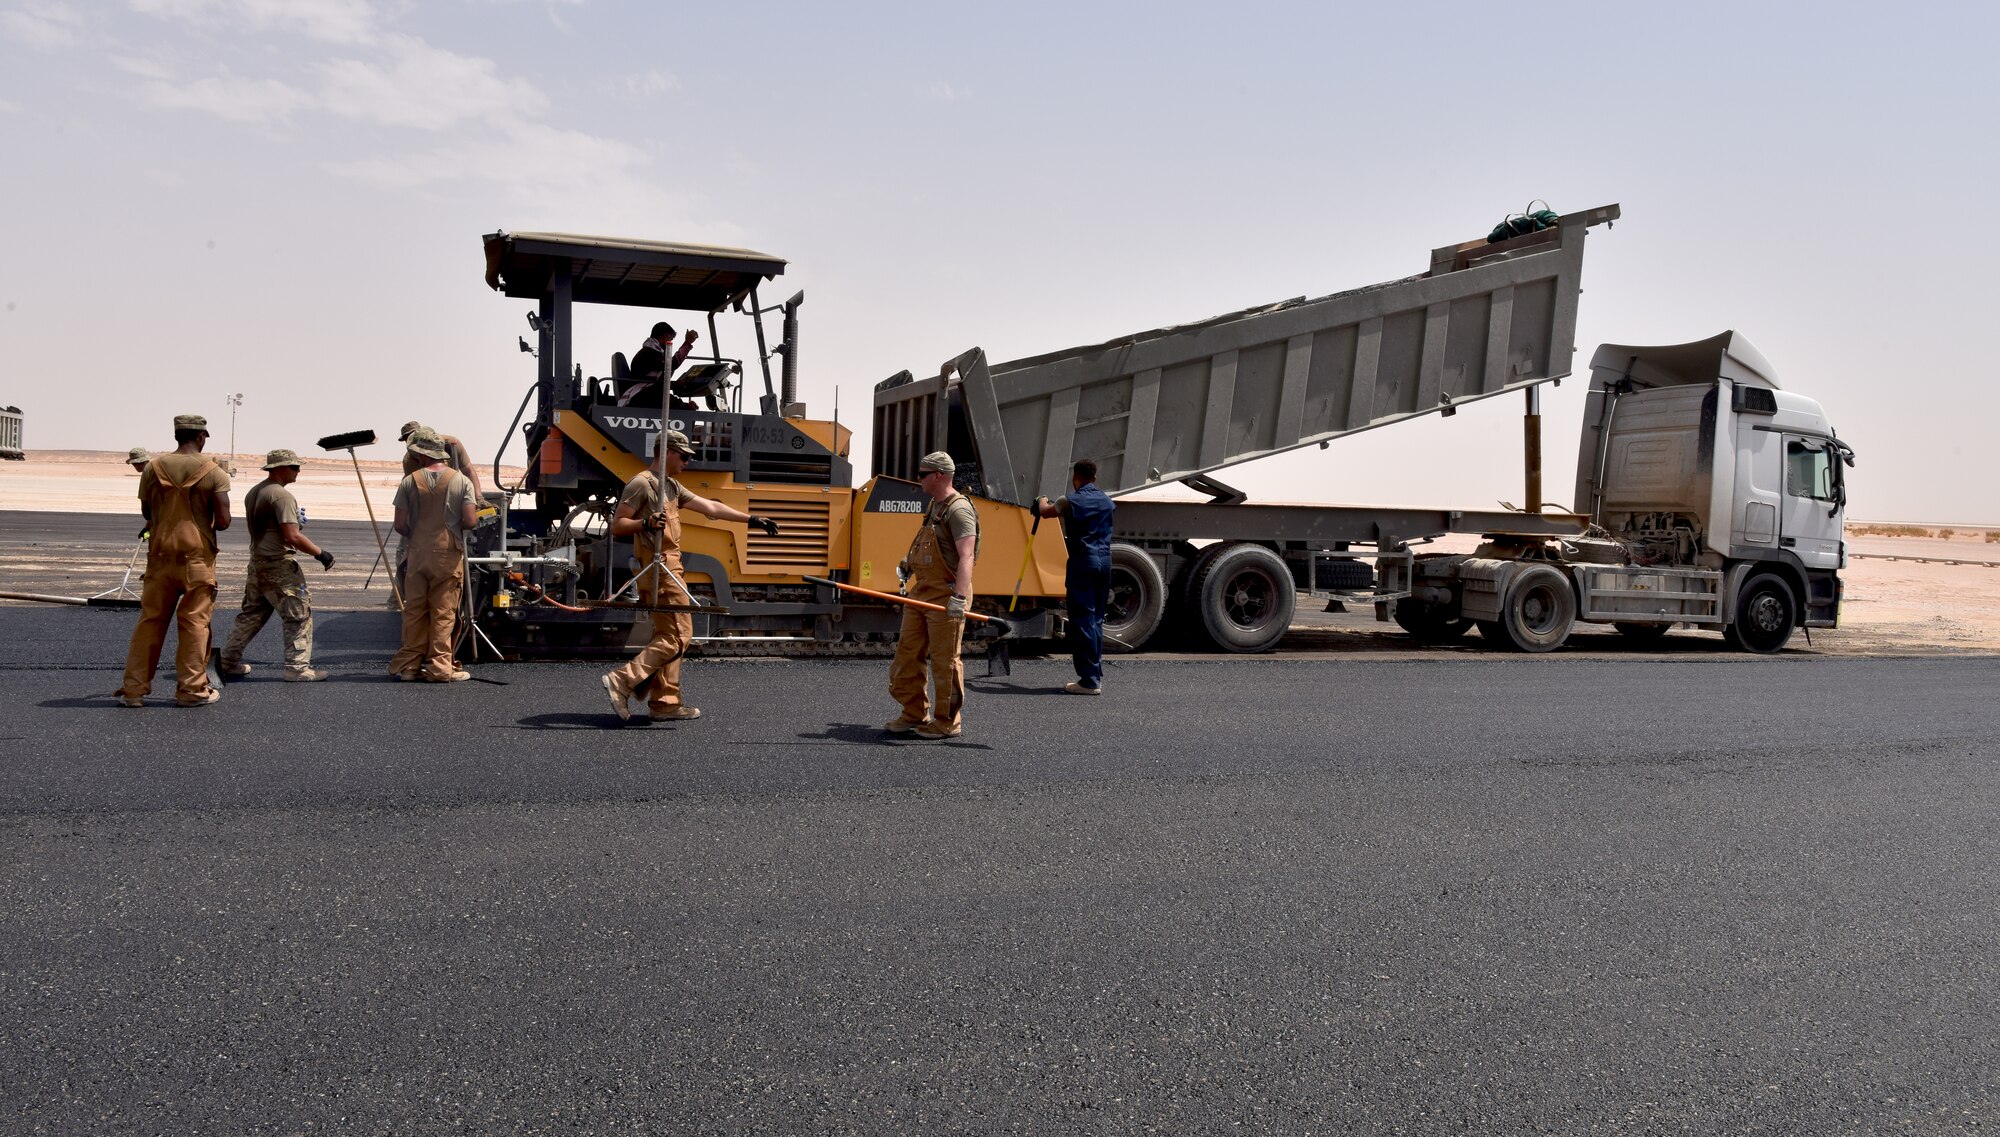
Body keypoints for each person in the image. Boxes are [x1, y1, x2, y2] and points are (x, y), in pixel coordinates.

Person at [601, 429, 778, 723]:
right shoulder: (641, 485)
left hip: (671, 566)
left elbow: (710, 507)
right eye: (683, 456)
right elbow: (618, 525)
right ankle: (622, 680)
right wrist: (644, 523)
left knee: (669, 635)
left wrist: (752, 520)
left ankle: (665, 703)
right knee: (679, 636)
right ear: (667, 452)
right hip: (659, 567)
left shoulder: (671, 486)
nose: (687, 462)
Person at [115, 413, 232, 707]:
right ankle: (191, 691)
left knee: (150, 622)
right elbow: (224, 521)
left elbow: (147, 513)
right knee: (194, 624)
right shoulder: (214, 472)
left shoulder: (152, 468)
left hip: (159, 559)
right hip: (196, 562)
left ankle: (133, 691)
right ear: (202, 437)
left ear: (177, 436)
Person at [885, 451, 980, 740]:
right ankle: (914, 712)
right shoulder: (935, 505)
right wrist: (908, 561)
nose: (919, 479)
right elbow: (926, 539)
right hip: (922, 592)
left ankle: (947, 721)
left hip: (945, 595)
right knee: (908, 654)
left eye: (922, 474)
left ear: (938, 475)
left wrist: (959, 599)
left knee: (945, 661)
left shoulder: (959, 510)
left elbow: (966, 557)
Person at [218, 449, 334, 683]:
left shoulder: (256, 491)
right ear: (279, 468)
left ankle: (227, 662)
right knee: (298, 615)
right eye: (294, 467)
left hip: (258, 564)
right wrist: (320, 554)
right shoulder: (281, 496)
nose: (298, 471)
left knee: (251, 615)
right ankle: (297, 668)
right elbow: (292, 536)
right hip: (279, 567)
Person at [387, 431, 479, 682]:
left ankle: (409, 667)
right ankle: (440, 667)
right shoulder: (461, 481)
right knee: (444, 611)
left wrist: (417, 535)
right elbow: (470, 521)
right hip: (447, 557)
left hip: (416, 555)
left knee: (415, 610)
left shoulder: (409, 481)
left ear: (422, 454)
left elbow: (400, 525)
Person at [1036, 458, 1117, 695]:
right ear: (1095, 478)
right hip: (1105, 562)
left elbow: (1046, 512)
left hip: (1084, 563)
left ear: (1075, 478)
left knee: (1082, 619)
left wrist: (1040, 499)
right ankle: (1095, 673)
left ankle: (1089, 680)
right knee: (1096, 620)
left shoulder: (1070, 501)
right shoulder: (1107, 501)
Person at [390, 422, 482, 607]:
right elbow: (419, 489)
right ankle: (397, 600)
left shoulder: (453, 444)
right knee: (405, 556)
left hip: (453, 499)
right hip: (428, 507)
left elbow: (469, 471)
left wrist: (477, 499)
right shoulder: (410, 460)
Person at [616, 321, 699, 407]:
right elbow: (671, 365)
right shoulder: (649, 352)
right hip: (643, 395)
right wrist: (687, 343)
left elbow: (659, 382)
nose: (670, 344)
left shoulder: (652, 352)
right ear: (664, 336)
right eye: (670, 340)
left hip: (649, 394)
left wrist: (677, 384)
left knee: (685, 408)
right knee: (685, 410)